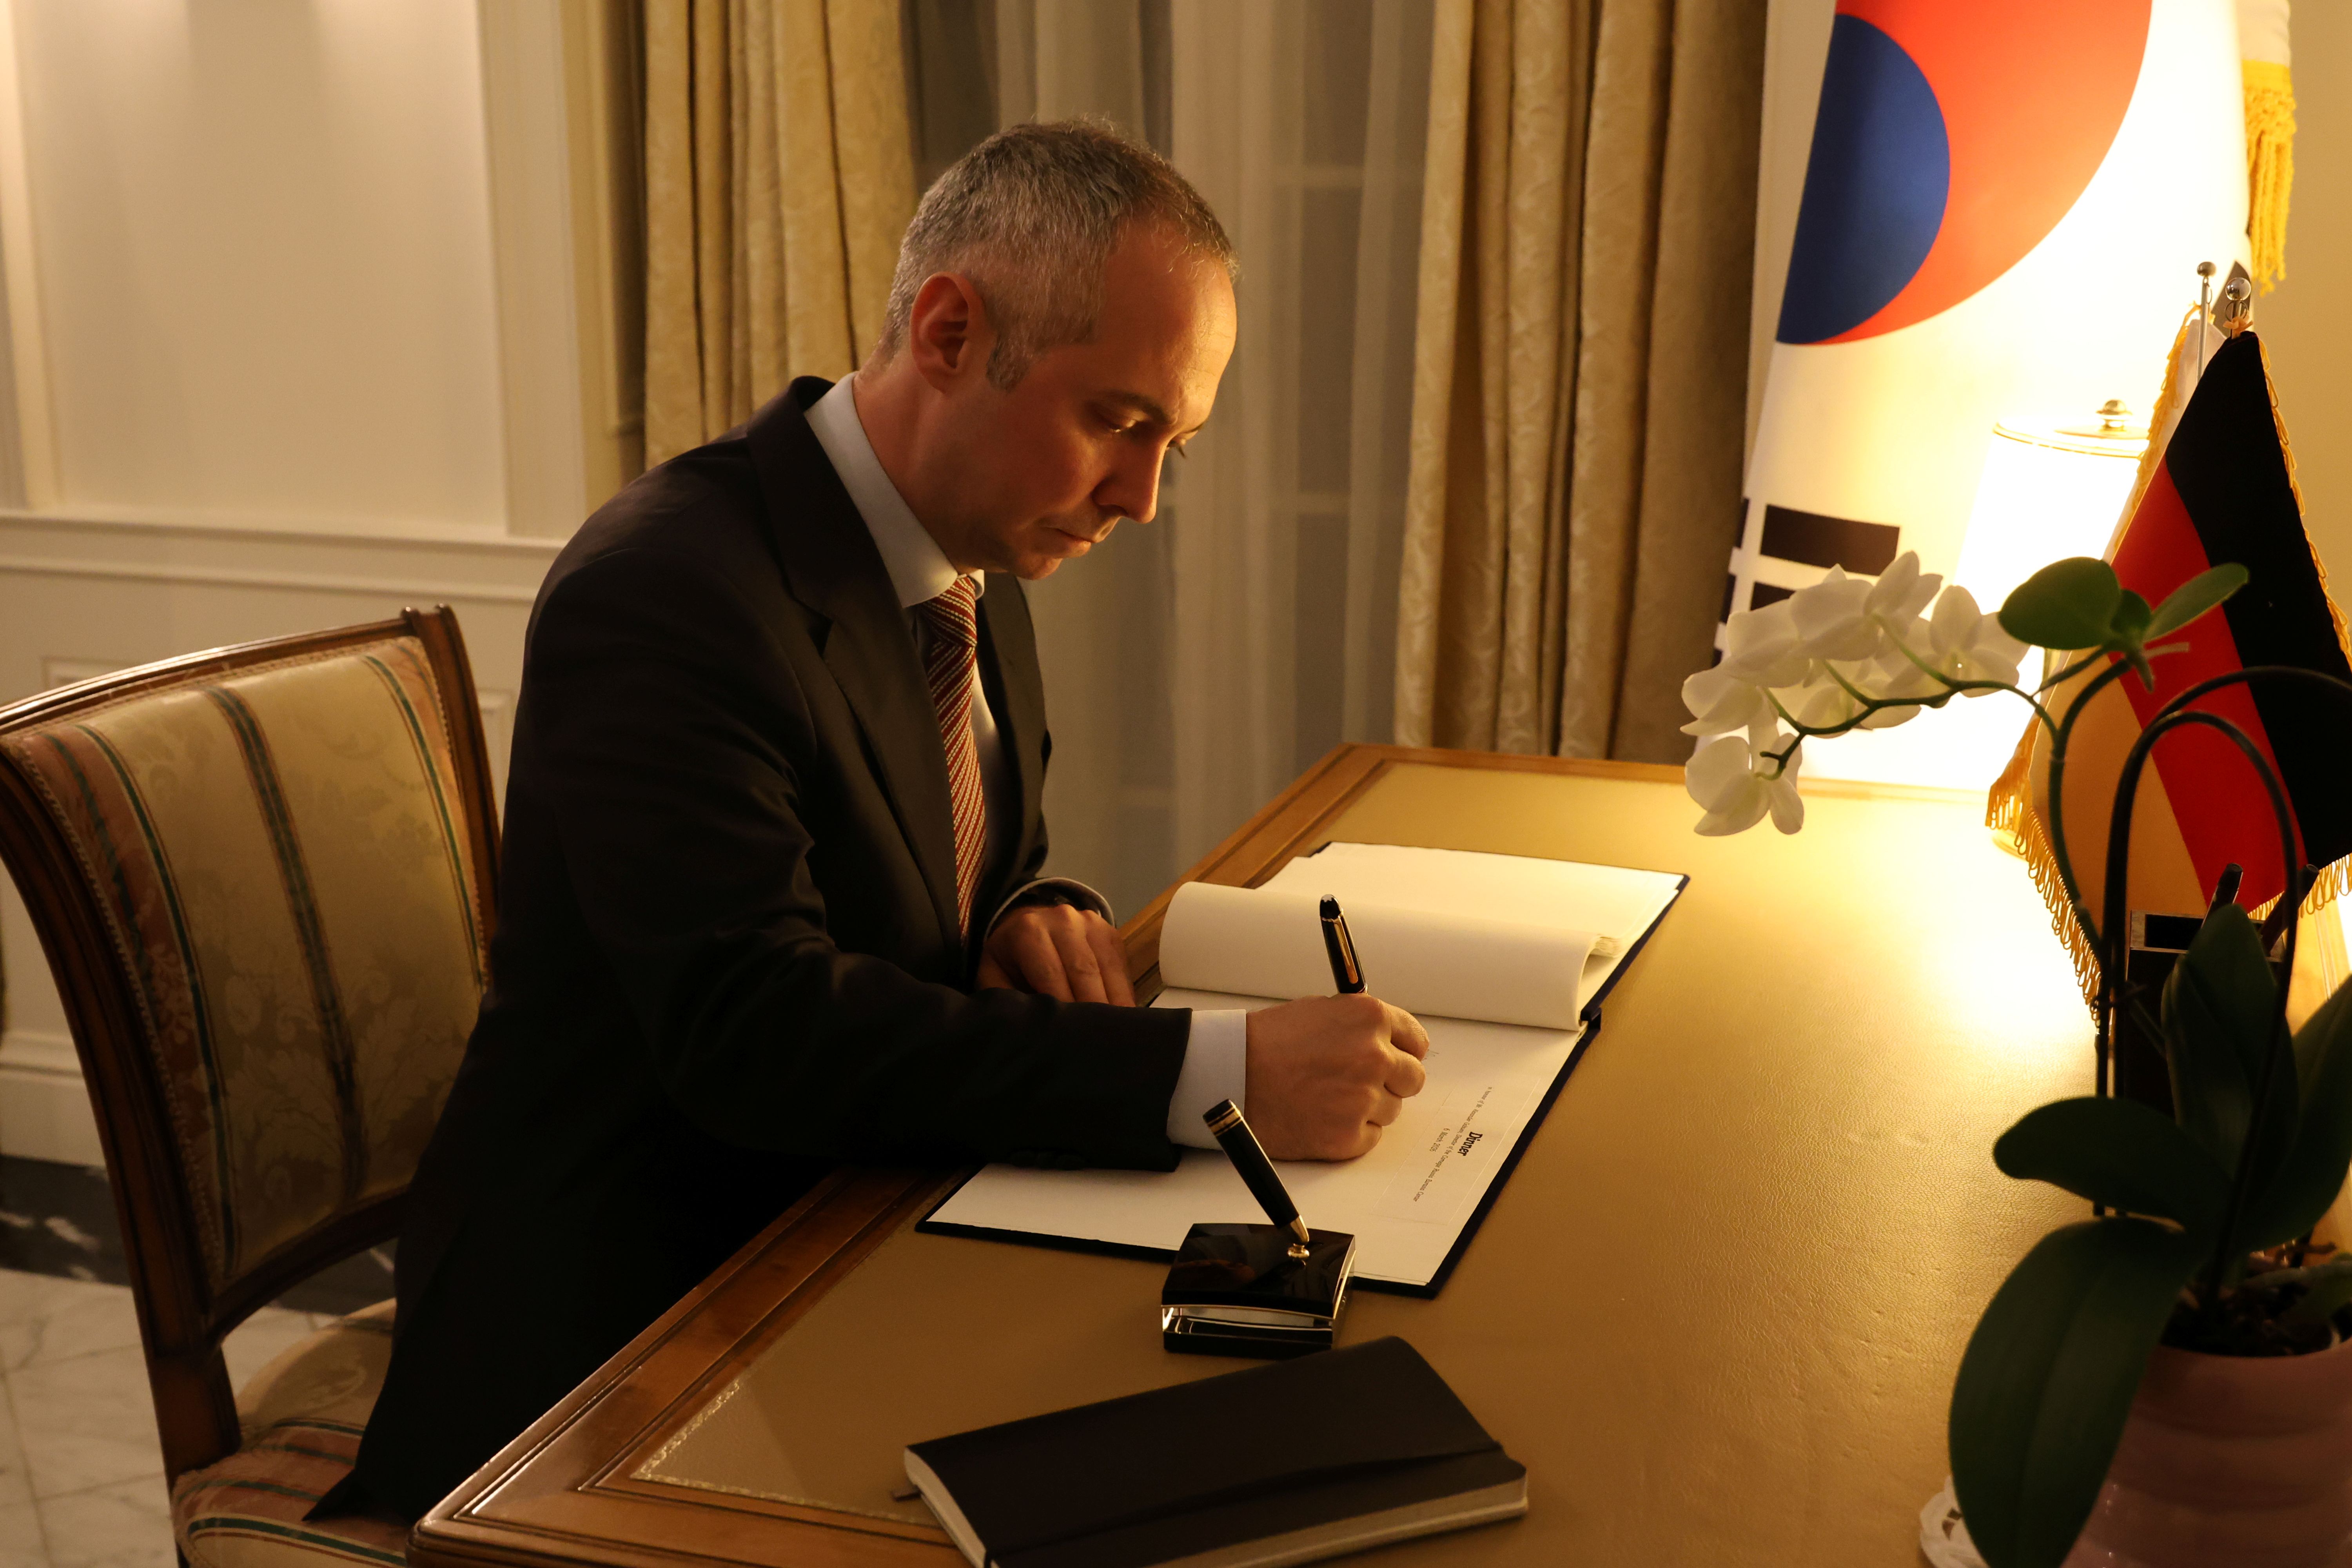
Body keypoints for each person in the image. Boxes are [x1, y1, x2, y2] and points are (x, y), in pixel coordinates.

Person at [341, 120, 1429, 1521]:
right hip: (624, 1346)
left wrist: (1029, 906)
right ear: (951, 331)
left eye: (1176, 443)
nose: (1143, 498)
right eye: (1119, 422)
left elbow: (950, 851)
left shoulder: (965, 556)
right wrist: (1217, 1073)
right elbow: (761, 1038)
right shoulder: (666, 595)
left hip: (859, 1228)